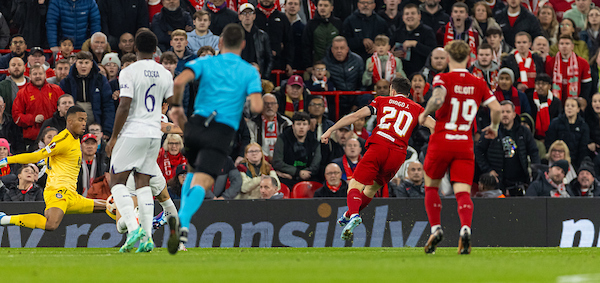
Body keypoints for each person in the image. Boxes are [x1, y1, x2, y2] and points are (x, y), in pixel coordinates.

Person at [166, 23, 263, 254]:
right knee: (204, 181)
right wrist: (244, 100)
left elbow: (179, 81)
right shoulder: (249, 71)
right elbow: (257, 106)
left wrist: (177, 108)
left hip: (196, 124)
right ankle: (183, 222)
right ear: (242, 44)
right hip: (221, 131)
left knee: (191, 170)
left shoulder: (206, 61)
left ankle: (180, 235)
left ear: (219, 43)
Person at [321, 76, 435, 240]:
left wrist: (330, 130)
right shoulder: (417, 108)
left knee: (355, 183)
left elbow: (355, 116)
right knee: (372, 189)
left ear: (392, 90)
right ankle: (348, 214)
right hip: (398, 155)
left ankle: (353, 215)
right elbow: (434, 127)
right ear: (408, 94)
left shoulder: (382, 100)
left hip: (379, 146)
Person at [418, 40, 502, 255]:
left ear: (447, 58)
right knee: (462, 192)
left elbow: (437, 99)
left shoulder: (442, 78)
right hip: (464, 143)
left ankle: (436, 228)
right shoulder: (479, 82)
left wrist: (424, 113)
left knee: (431, 187)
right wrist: (493, 127)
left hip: (442, 140)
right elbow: (496, 108)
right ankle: (465, 228)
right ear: (470, 58)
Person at [105, 29, 177, 253]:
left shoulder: (129, 71)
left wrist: (114, 136)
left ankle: (133, 225)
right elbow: (172, 101)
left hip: (133, 131)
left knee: (116, 181)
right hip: (154, 134)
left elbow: (124, 105)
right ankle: (147, 238)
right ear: (156, 51)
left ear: (134, 48)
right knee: (143, 183)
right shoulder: (165, 73)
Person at [0, 105, 107, 231]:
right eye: (80, 120)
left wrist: (47, 161)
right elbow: (37, 156)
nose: (84, 124)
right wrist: (8, 160)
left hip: (72, 195)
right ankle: (5, 219)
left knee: (110, 206)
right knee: (51, 224)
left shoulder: (75, 139)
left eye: (85, 120)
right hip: (58, 191)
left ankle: (131, 229)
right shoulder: (63, 140)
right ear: (70, 121)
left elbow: (57, 157)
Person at [475, 100, 540, 193]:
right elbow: (478, 150)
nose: (505, 114)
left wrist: (535, 171)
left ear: (514, 114)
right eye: (502, 112)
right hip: (498, 180)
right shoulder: (490, 130)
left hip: (520, 180)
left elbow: (534, 151)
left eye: (508, 112)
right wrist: (488, 170)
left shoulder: (524, 131)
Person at [60, 51, 115, 138]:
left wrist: (107, 130)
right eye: (80, 63)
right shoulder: (67, 82)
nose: (83, 66)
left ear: (92, 64)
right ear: (75, 63)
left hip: (96, 122)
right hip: (74, 124)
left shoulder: (101, 80)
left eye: (86, 63)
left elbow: (108, 105)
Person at [12, 64, 64, 151]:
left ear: (45, 75)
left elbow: (64, 110)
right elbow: (16, 116)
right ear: (30, 76)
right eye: (35, 74)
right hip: (32, 139)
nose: (38, 76)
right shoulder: (22, 93)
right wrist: (32, 119)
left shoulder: (56, 90)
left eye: (40, 73)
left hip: (56, 137)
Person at [272, 112, 321, 188]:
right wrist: (297, 172)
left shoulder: (314, 142)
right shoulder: (282, 139)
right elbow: (277, 162)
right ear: (293, 126)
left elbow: (316, 165)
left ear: (308, 127)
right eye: (298, 124)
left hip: (308, 176)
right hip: (287, 176)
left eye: (304, 124)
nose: (301, 127)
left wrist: (304, 174)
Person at [391, 4, 438, 77]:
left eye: (413, 13)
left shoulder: (427, 31)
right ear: (403, 18)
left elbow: (433, 53)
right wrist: (392, 54)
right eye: (407, 14)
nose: (410, 16)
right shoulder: (398, 32)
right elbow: (388, 49)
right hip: (401, 76)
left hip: (422, 76)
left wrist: (416, 44)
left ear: (419, 16)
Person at [322, 36, 365, 115]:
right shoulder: (325, 63)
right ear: (332, 50)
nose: (339, 51)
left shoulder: (357, 60)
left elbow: (363, 83)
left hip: (355, 102)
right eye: (336, 48)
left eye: (342, 48)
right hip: (335, 104)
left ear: (347, 49)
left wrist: (356, 103)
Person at [545, 97, 590, 170]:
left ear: (578, 109)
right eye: (567, 105)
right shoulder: (555, 123)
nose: (569, 108)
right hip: (556, 160)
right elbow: (549, 142)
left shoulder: (584, 126)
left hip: (575, 163)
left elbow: (583, 149)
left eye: (572, 106)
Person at [547, 35, 593, 104]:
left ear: (572, 46)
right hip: (555, 101)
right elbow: (548, 83)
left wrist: (582, 99)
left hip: (575, 102)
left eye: (567, 44)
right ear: (558, 46)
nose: (564, 46)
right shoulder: (550, 62)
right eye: (562, 44)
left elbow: (586, 85)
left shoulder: (583, 63)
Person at [245, 93, 292, 160]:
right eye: (266, 103)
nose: (269, 106)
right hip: (259, 160)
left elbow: (290, 146)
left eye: (272, 103)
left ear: (277, 106)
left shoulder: (287, 123)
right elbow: (251, 145)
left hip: (283, 160)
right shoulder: (252, 124)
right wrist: (265, 158)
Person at [301, 0, 343, 69]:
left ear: (331, 8)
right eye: (320, 5)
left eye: (325, 6)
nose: (322, 8)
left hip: (335, 66)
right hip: (317, 66)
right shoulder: (311, 24)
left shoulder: (338, 23)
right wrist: (308, 65)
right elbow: (305, 46)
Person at [238, 3, 272, 79]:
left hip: (257, 76)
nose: (247, 16)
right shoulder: (234, 35)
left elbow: (269, 59)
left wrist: (264, 77)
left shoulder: (263, 35)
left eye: (250, 13)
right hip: (238, 76)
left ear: (254, 16)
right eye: (244, 13)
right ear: (239, 17)